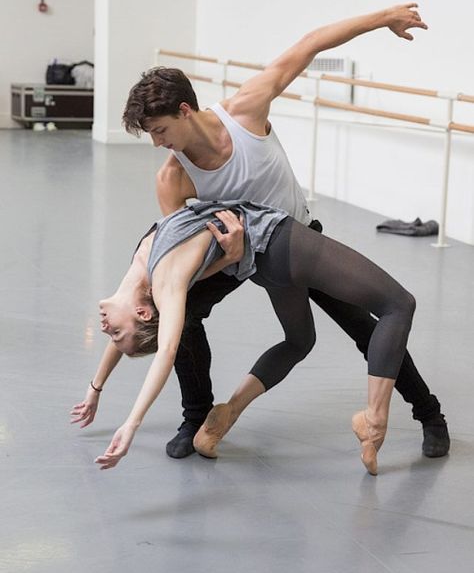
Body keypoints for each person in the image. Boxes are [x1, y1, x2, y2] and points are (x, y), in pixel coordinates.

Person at [72, 2, 449, 460]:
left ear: (186, 110)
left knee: (365, 328)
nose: (157, 143)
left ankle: (429, 415)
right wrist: (229, 258)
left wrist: (383, 18)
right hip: (243, 256)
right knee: (184, 315)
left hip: (301, 239)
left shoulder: (247, 109)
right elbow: (180, 268)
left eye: (160, 130)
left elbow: (310, 44)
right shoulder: (173, 179)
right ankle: (198, 415)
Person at [72, 199, 416, 475]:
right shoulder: (163, 283)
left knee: (299, 340)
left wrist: (95, 387)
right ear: (144, 312)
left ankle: (228, 412)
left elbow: (127, 331)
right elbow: (166, 348)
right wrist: (131, 424)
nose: (105, 329)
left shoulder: (140, 277)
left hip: (264, 265)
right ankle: (373, 421)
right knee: (398, 304)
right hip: (278, 244)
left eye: (112, 334)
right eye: (114, 331)